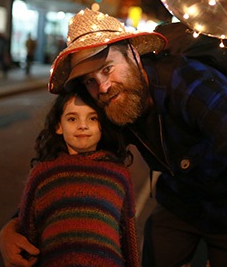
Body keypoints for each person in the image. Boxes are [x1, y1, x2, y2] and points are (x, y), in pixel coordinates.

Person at [0, 9, 227, 267]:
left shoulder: (190, 83)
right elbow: (77, 162)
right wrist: (16, 223)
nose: (101, 87)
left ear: (133, 54)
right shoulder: (110, 103)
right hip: (179, 205)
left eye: (107, 69)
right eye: (89, 81)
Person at [14, 90, 139, 267]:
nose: (83, 125)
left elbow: (128, 236)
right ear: (59, 125)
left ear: (103, 124)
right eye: (72, 119)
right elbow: (28, 230)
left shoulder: (118, 175)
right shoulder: (43, 174)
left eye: (92, 118)